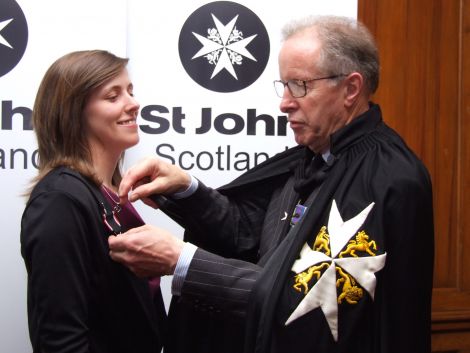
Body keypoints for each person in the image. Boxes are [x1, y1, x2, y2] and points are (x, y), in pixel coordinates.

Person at [109, 15, 434, 353]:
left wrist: (182, 261)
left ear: (350, 88)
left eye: (300, 85)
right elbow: (246, 233)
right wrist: (185, 189)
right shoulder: (313, 157)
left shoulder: (384, 180)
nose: (284, 103)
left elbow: (308, 304)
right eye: (284, 86)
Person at [20, 50, 166, 353]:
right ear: (73, 113)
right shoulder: (60, 201)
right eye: (113, 97)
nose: (134, 103)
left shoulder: (108, 193)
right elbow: (61, 342)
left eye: (130, 91)